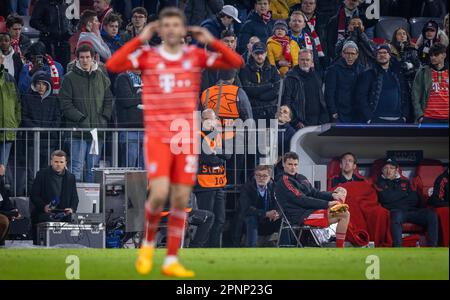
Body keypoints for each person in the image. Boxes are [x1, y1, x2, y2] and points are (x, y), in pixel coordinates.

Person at [106, 7, 243, 277]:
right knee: (158, 193)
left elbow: (235, 61)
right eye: (166, 26)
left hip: (185, 135)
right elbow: (113, 65)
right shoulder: (149, 55)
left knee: (181, 197)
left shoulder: (194, 55)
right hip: (159, 134)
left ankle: (170, 260)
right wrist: (139, 37)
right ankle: (146, 250)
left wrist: (212, 40)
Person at [59, 44, 113, 183]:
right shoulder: (69, 78)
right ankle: (73, 203)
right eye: (82, 57)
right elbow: (65, 104)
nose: (85, 60)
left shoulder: (101, 76)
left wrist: (104, 118)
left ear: (93, 58)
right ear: (77, 59)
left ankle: (91, 203)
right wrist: (82, 118)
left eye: (87, 57)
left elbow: (109, 99)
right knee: (76, 168)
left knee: (93, 169)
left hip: (97, 131)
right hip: (77, 132)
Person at [274, 152, 350, 248]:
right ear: (284, 164)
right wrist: (328, 204)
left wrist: (333, 195)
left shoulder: (301, 177)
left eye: (295, 164)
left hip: (311, 211)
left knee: (344, 210)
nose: (293, 167)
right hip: (301, 216)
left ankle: (340, 247)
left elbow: (315, 193)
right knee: (344, 213)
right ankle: (340, 248)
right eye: (290, 164)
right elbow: (301, 200)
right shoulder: (284, 181)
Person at [375, 158, 438, 247]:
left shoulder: (405, 181)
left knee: (431, 214)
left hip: (411, 211)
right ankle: (398, 248)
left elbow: (415, 199)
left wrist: (395, 197)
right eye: (386, 168)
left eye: (391, 168)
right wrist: (404, 194)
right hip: (396, 212)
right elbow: (385, 199)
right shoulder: (379, 183)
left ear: (396, 170)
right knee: (396, 215)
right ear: (382, 170)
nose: (388, 171)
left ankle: (433, 248)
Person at [193, 109, 229, 247]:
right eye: (206, 119)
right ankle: (200, 246)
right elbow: (207, 159)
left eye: (212, 119)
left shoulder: (218, 135)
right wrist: (219, 156)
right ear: (202, 120)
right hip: (204, 185)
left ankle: (213, 248)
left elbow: (229, 155)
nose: (209, 122)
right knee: (207, 218)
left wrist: (216, 154)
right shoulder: (198, 135)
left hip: (219, 183)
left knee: (220, 219)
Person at [21, 70, 61, 192]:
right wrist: (36, 129)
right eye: (38, 83)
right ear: (34, 84)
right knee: (32, 172)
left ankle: (46, 197)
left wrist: (45, 131)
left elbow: (57, 119)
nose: (41, 86)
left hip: (49, 142)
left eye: (44, 83)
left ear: (48, 85)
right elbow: (24, 117)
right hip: (32, 142)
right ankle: (31, 196)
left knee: (48, 173)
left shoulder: (54, 100)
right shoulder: (27, 98)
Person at [30, 150, 79, 241]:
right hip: (45, 213)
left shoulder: (71, 177)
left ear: (65, 163)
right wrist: (44, 206)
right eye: (56, 162)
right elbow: (34, 195)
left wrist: (72, 209)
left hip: (64, 213)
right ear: (51, 161)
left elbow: (75, 198)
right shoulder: (41, 174)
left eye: (61, 162)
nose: (58, 164)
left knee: (73, 221)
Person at [356, 44, 410, 124]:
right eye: (379, 53)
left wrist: (405, 116)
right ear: (376, 56)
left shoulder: (398, 73)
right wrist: (369, 117)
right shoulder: (369, 74)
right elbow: (361, 97)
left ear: (390, 55)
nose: (382, 55)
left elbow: (405, 94)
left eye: (385, 53)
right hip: (376, 120)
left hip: (398, 119)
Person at [282, 49, 329, 129]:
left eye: (307, 60)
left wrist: (323, 119)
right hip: (299, 124)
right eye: (302, 60)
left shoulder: (316, 76)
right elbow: (286, 102)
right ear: (298, 60)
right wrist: (295, 121)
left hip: (317, 122)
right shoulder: (290, 77)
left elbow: (321, 99)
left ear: (311, 61)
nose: (305, 62)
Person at [240, 165, 280, 247]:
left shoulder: (274, 187)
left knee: (284, 218)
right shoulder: (247, 187)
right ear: (254, 176)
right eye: (258, 175)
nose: (261, 178)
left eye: (264, 176)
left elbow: (281, 204)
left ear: (270, 177)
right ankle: (252, 249)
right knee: (251, 218)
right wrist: (265, 213)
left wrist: (278, 213)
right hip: (254, 220)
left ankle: (287, 248)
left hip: (270, 220)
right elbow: (246, 209)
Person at [240, 41, 281, 122]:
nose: (259, 56)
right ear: (252, 54)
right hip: (252, 111)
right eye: (257, 53)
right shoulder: (245, 69)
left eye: (261, 53)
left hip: (270, 111)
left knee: (270, 134)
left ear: (266, 53)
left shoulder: (273, 69)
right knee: (253, 134)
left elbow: (277, 90)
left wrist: (260, 96)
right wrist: (269, 85)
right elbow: (247, 89)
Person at [325, 41, 364, 123]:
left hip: (356, 113)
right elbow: (329, 93)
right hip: (339, 113)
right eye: (347, 53)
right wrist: (333, 111)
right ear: (342, 54)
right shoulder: (333, 70)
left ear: (357, 55)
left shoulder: (361, 69)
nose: (350, 56)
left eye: (353, 54)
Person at [30, 0, 73, 73]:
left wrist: (71, 31)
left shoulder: (70, 2)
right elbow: (33, 21)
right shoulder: (42, 2)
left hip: (64, 42)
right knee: (47, 70)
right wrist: (47, 31)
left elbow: (76, 19)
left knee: (65, 70)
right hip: (47, 43)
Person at [412, 43, 449, 124]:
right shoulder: (423, 71)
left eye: (436, 55)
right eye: (431, 55)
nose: (433, 57)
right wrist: (420, 116)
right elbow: (415, 95)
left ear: (444, 55)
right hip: (428, 118)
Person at [115, 69, 144, 169]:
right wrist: (142, 95)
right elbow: (126, 100)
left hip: (147, 129)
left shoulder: (147, 77)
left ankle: (144, 185)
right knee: (129, 167)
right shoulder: (123, 78)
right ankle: (128, 185)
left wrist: (135, 97)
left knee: (146, 167)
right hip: (129, 129)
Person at [0, 56, 21, 167]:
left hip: (8, 129)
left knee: (3, 167)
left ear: (2, 60)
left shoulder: (10, 78)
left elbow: (17, 104)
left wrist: (15, 124)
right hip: (7, 128)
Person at [0, 164, 20, 246]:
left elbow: (5, 200)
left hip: (2, 212)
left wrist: (12, 210)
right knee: (3, 219)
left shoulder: (1, 184)